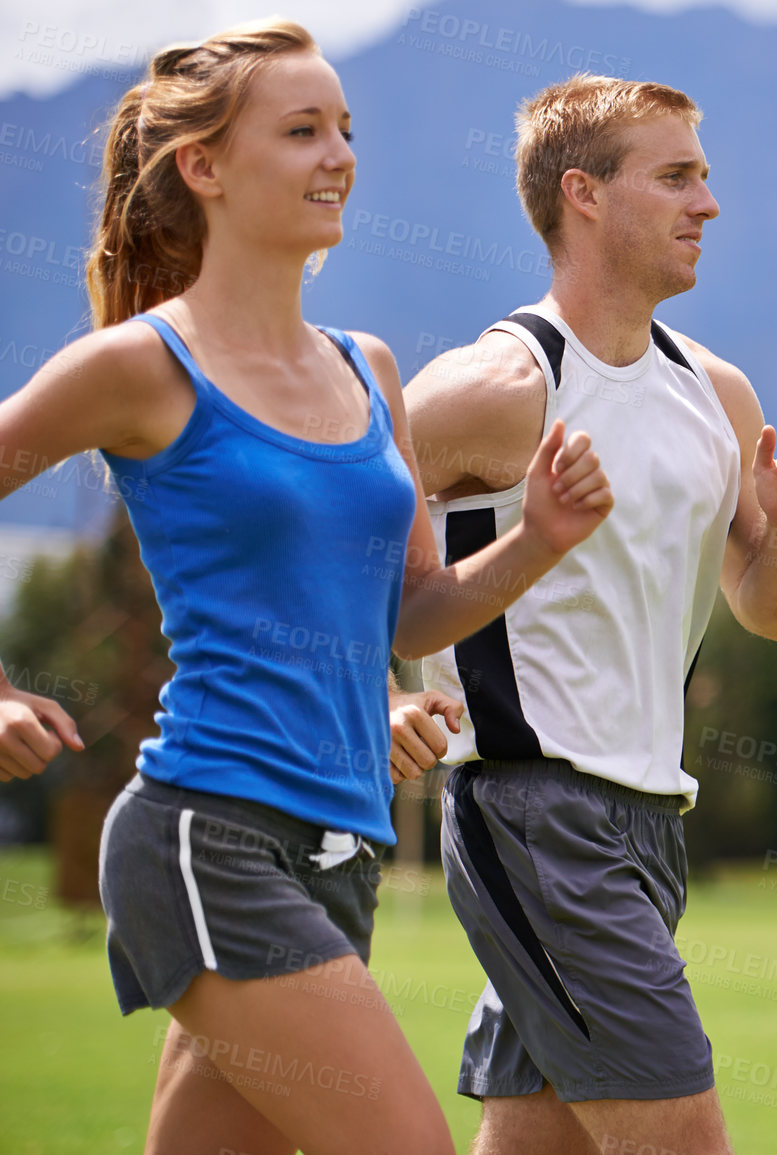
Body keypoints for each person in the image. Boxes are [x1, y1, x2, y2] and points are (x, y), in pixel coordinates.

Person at [0, 21, 615, 1155]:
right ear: (206, 167)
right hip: (208, 836)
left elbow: (406, 616)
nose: (338, 154)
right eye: (300, 131)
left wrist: (537, 540)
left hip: (339, 845)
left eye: (344, 128)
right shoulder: (141, 364)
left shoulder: (367, 367)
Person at [389, 74, 777, 1154]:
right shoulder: (500, 385)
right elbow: (320, 523)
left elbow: (770, 612)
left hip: (646, 824)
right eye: (677, 176)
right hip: (532, 817)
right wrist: (378, 696)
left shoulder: (717, 394)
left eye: (706, 176)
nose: (709, 205)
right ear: (583, 195)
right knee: (683, 1138)